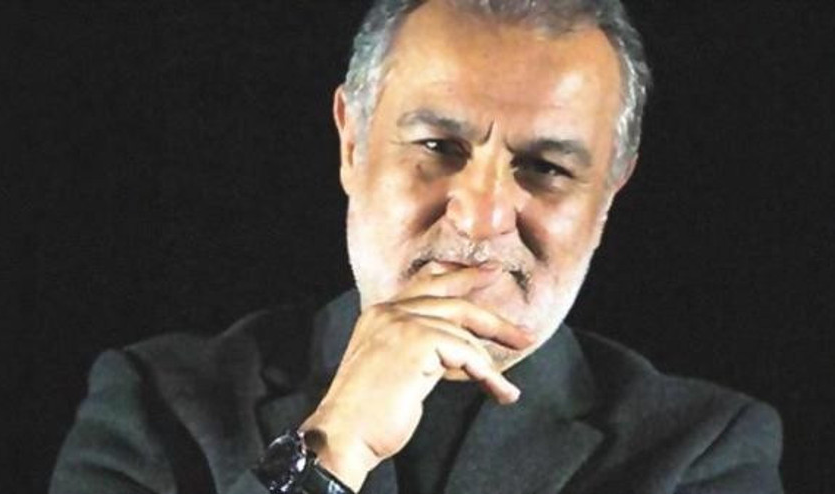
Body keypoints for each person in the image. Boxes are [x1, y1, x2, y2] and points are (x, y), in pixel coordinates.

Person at [51, 0, 783, 493]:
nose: (483, 217)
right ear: (352, 143)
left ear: (611, 189)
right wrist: (332, 450)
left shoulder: (707, 451)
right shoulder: (156, 403)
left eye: (546, 167)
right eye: (438, 146)